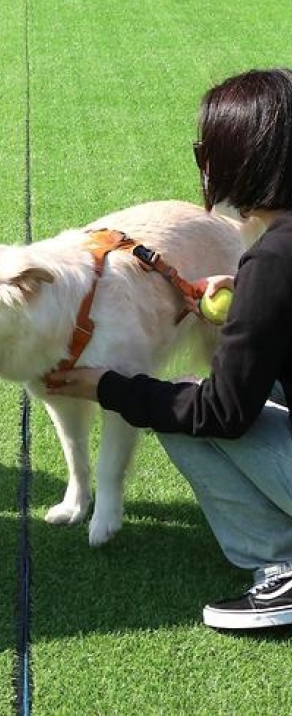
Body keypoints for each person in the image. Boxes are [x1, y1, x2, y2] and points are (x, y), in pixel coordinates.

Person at [46, 67, 292, 631]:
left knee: (182, 400)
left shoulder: (275, 259)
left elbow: (223, 414)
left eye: (210, 148)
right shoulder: (272, 263)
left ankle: (279, 564)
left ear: (245, 158)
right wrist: (250, 301)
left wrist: (108, 386)